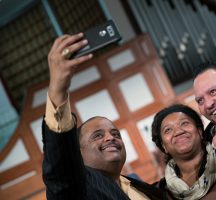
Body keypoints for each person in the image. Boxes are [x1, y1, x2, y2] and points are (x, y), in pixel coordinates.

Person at [42, 33, 166, 199]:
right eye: (97, 136)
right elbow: (61, 169)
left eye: (115, 134)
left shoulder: (142, 188)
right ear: (77, 153)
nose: (110, 138)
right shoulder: (79, 188)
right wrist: (58, 91)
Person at [151, 104, 216, 199]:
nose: (178, 132)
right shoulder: (161, 193)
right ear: (163, 146)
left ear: (200, 131)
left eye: (184, 123)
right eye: (168, 130)